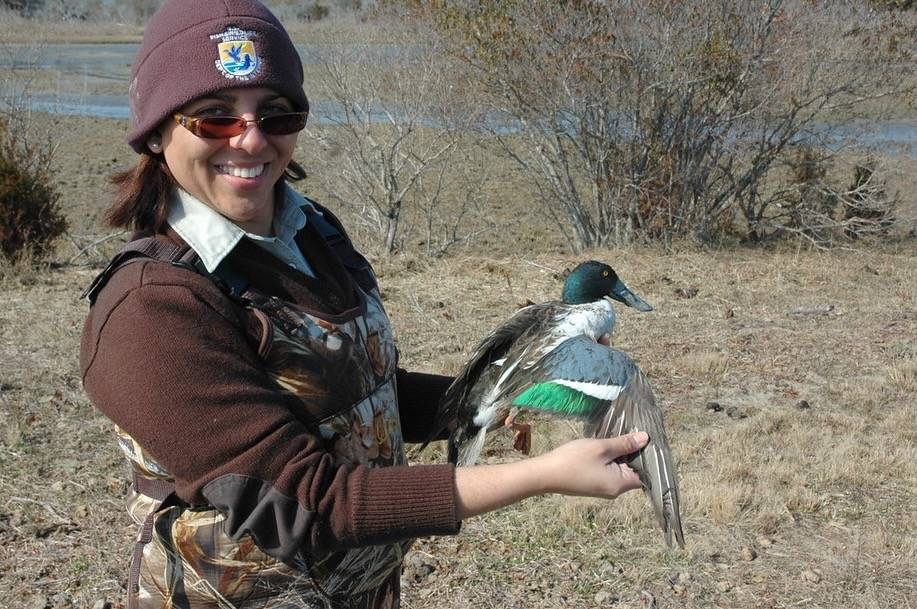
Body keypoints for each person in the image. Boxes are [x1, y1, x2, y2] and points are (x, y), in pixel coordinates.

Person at [79, 1, 651, 608]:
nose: (250, 138)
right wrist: (542, 475)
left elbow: (365, 393)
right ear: (157, 130)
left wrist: (513, 388)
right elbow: (310, 501)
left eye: (277, 113)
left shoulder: (312, 232)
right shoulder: (151, 309)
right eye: (214, 117)